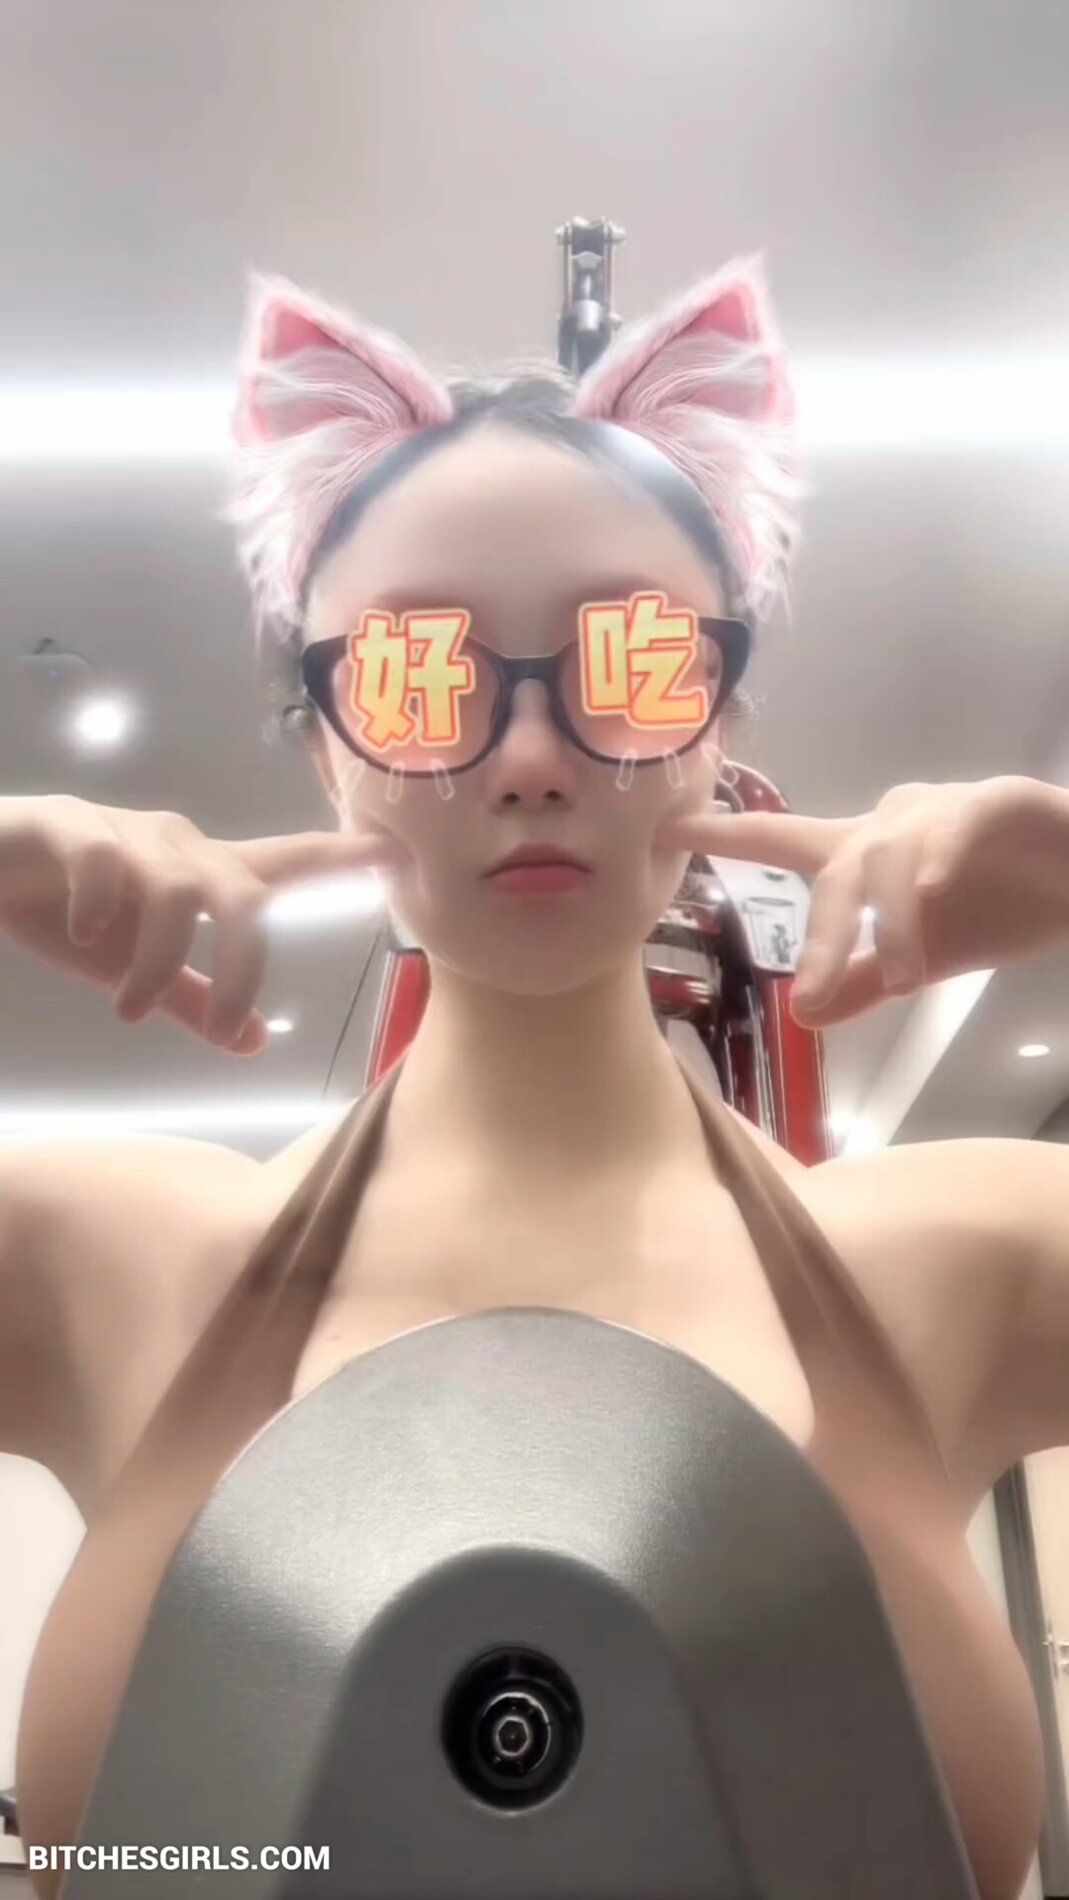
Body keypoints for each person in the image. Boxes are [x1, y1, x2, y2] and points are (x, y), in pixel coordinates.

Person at [3, 256, 1069, 1900]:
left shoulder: (963, 1264)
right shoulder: (106, 1263)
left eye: (629, 662)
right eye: (417, 674)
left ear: (718, 723)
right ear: (327, 745)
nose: (526, 759)